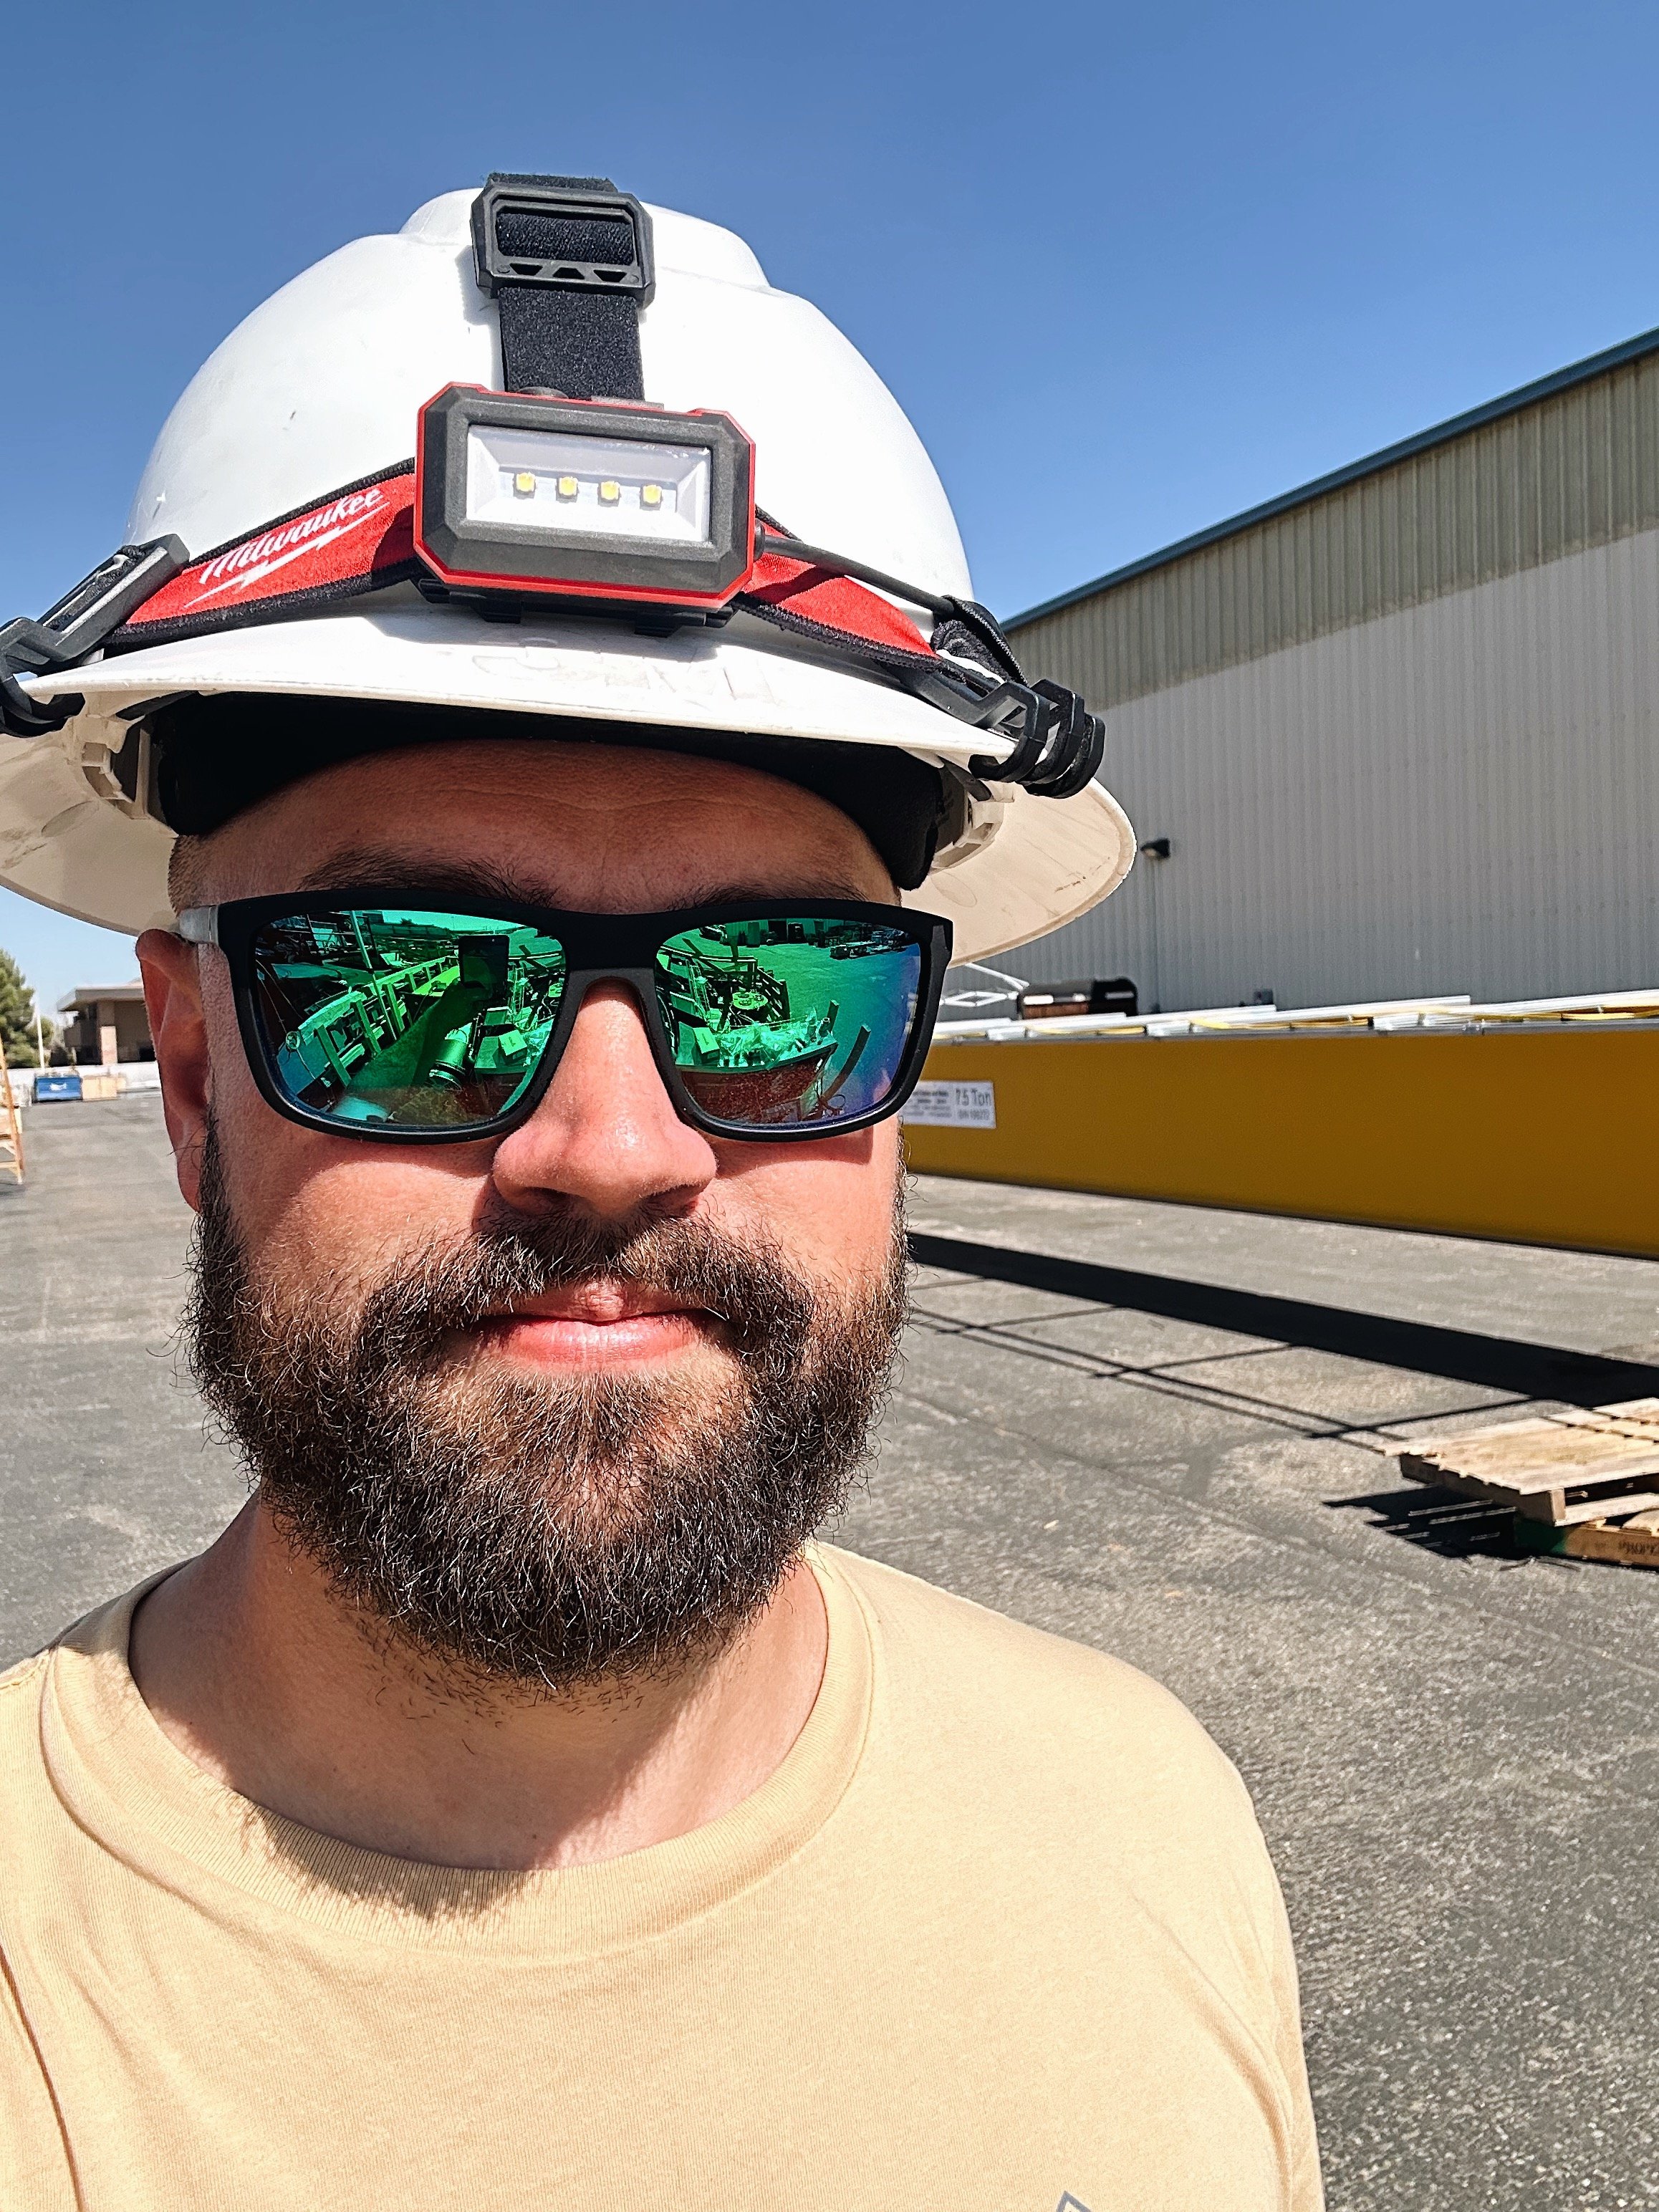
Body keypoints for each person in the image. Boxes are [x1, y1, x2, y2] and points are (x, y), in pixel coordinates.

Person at [0, 178, 1322, 2212]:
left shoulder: (1150, 1814)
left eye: (778, 993)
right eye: (408, 989)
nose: (616, 1148)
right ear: (192, 1079)